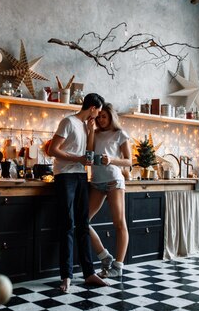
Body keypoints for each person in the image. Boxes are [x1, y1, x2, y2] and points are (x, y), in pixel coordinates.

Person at [48, 92, 109, 293]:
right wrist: (78, 159)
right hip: (65, 176)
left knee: (83, 225)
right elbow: (52, 150)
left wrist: (91, 132)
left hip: (82, 176)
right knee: (67, 224)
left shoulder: (85, 126)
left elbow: (88, 153)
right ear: (92, 107)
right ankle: (66, 276)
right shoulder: (68, 122)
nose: (98, 116)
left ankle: (89, 273)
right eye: (98, 111)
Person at [87, 103, 131, 278]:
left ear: (111, 116)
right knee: (82, 222)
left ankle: (118, 266)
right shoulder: (95, 133)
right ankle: (105, 256)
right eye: (98, 116)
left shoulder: (120, 134)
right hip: (96, 182)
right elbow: (89, 153)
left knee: (119, 223)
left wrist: (111, 160)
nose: (101, 119)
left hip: (114, 181)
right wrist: (90, 131)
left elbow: (129, 161)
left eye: (104, 116)